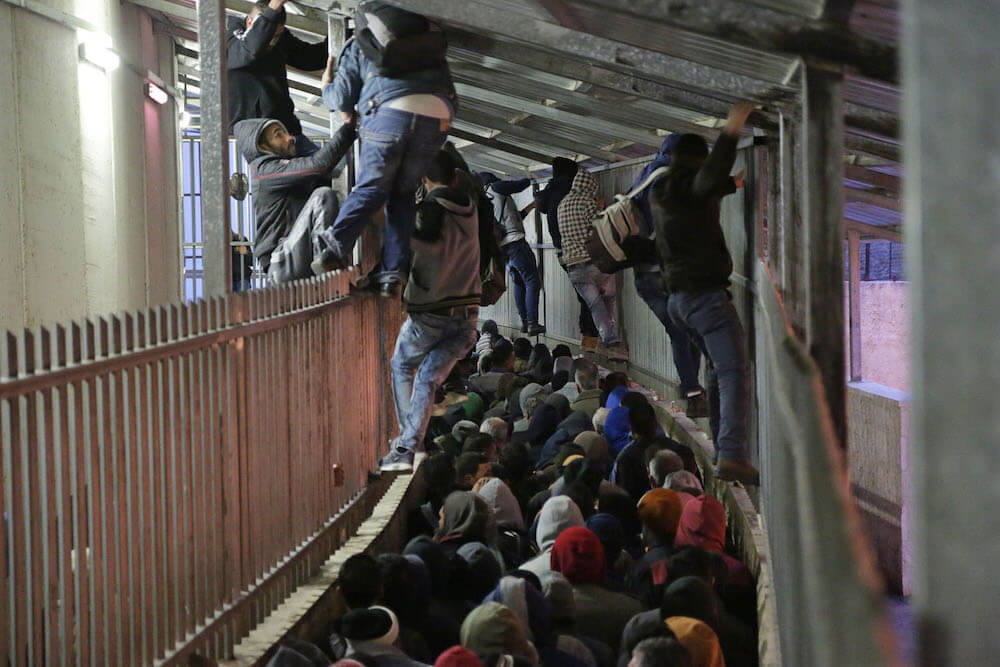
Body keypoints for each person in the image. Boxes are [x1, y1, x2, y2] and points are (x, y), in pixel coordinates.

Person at [314, 5, 458, 296]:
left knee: (373, 186)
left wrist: (325, 87)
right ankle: (391, 275)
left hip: (389, 113)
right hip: (438, 116)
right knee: (403, 193)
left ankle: (333, 247)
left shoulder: (361, 42)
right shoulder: (425, 38)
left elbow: (342, 96)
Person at [651, 101, 759, 485]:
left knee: (716, 369)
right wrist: (731, 130)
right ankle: (731, 453)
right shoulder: (687, 185)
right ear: (698, 162)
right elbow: (706, 183)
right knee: (733, 371)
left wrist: (733, 184)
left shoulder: (663, 190)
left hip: (679, 301)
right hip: (704, 297)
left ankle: (721, 445)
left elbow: (703, 195)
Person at [381, 150, 480, 471]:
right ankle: (411, 444)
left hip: (432, 314)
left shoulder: (432, 209)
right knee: (427, 378)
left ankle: (407, 447)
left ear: (424, 180)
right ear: (453, 177)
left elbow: (429, 243)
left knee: (402, 367)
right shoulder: (472, 208)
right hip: (467, 316)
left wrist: (396, 221)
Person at [626, 135, 706, 416]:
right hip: (666, 271)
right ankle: (693, 391)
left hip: (643, 275)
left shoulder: (643, 177)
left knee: (680, 331)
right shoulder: (670, 182)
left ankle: (692, 388)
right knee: (687, 330)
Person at [234, 116, 356, 283]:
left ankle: (333, 268)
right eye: (279, 135)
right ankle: (330, 266)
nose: (289, 138)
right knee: (323, 196)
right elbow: (318, 164)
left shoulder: (285, 168)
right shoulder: (265, 171)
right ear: (262, 146)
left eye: (286, 132)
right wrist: (349, 127)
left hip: (295, 257)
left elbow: (326, 167)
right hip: (281, 262)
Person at [227, 0, 328, 156]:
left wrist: (344, 32)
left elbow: (310, 58)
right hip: (258, 139)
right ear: (249, 22)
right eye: (270, 36)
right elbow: (251, 49)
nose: (273, 42)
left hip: (288, 131)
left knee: (332, 169)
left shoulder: (279, 37)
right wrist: (273, 7)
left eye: (277, 36)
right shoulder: (229, 36)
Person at [557, 168, 627, 360]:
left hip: (573, 266)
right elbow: (601, 225)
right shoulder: (588, 202)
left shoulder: (562, 204)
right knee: (609, 297)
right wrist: (602, 206)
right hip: (595, 262)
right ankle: (610, 341)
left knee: (595, 305)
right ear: (589, 186)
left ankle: (608, 339)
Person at [535, 157, 599, 350]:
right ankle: (590, 337)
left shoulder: (549, 189)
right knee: (590, 295)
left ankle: (588, 336)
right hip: (580, 250)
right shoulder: (571, 189)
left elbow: (541, 207)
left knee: (583, 292)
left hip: (561, 250)